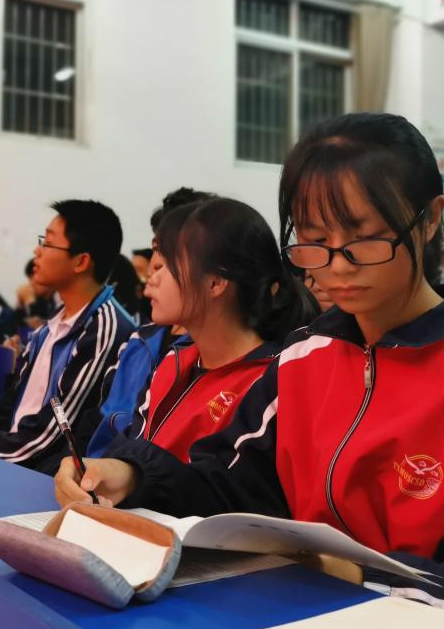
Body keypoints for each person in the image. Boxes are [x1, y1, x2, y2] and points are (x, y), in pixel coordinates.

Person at [56, 113, 444, 629]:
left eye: (364, 239)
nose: (336, 266)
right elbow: (231, 485)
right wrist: (132, 474)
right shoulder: (303, 357)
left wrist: (363, 577)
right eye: (314, 240)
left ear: (430, 219)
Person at [115, 197, 314, 462]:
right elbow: (131, 447)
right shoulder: (174, 361)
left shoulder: (268, 382)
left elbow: (214, 480)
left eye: (169, 266)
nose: (154, 276)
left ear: (215, 283)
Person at [0, 200, 136, 474]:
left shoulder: (104, 328)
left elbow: (52, 432)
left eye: (48, 243)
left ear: (81, 261)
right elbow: (9, 405)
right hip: (11, 459)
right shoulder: (49, 326)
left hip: (39, 474)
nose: (37, 250)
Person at [84, 187, 217, 458]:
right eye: (156, 248)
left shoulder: (210, 356)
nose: (155, 266)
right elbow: (99, 420)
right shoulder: (139, 340)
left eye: (171, 252)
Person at [16, 258, 59, 330]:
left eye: (34, 279)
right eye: (30, 280)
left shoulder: (61, 298)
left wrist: (30, 301)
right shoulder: (43, 299)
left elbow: (37, 323)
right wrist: (21, 305)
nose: (31, 284)